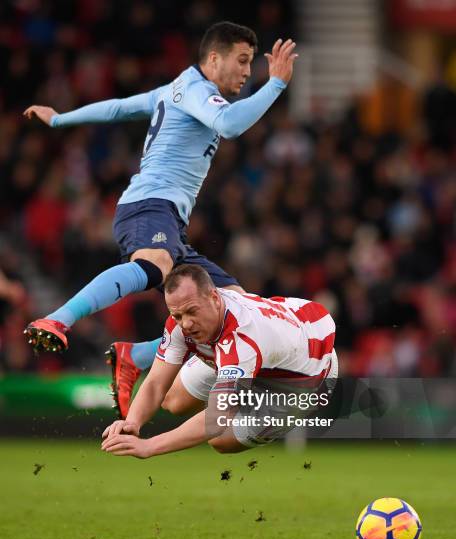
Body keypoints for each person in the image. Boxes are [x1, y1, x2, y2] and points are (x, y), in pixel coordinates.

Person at [23, 21, 298, 366]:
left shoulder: (175, 89)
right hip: (149, 205)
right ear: (214, 58)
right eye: (242, 60)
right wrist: (275, 84)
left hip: (168, 219)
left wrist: (61, 119)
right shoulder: (197, 90)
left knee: (232, 308)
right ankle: (59, 319)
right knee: (155, 265)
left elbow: (119, 108)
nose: (246, 72)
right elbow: (229, 125)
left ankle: (134, 357)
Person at [101, 264, 337, 458]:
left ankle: (235, 394)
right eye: (177, 315)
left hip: (305, 378)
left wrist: (149, 446)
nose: (186, 324)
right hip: (270, 345)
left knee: (219, 439)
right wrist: (132, 422)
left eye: (192, 312)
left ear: (215, 297)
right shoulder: (184, 321)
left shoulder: (242, 340)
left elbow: (216, 421)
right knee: (173, 401)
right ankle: (232, 391)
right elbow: (155, 383)